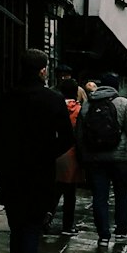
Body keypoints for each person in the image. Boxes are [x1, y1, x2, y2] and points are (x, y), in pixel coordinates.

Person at [0, 47, 74, 253]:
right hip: (39, 174)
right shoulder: (52, 100)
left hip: (11, 172)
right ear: (42, 70)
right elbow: (68, 139)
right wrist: (47, 152)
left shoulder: (4, 99)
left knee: (17, 230)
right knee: (30, 232)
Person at [77, 72, 127, 247]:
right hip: (121, 159)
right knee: (122, 194)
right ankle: (121, 231)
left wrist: (83, 159)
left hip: (95, 159)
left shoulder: (87, 105)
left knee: (99, 197)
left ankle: (103, 236)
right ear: (116, 87)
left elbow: (79, 136)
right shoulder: (123, 103)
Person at [45, 77, 83, 234]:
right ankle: (67, 225)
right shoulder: (80, 110)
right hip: (72, 153)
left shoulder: (53, 106)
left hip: (53, 151)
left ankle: (46, 218)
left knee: (53, 189)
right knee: (69, 193)